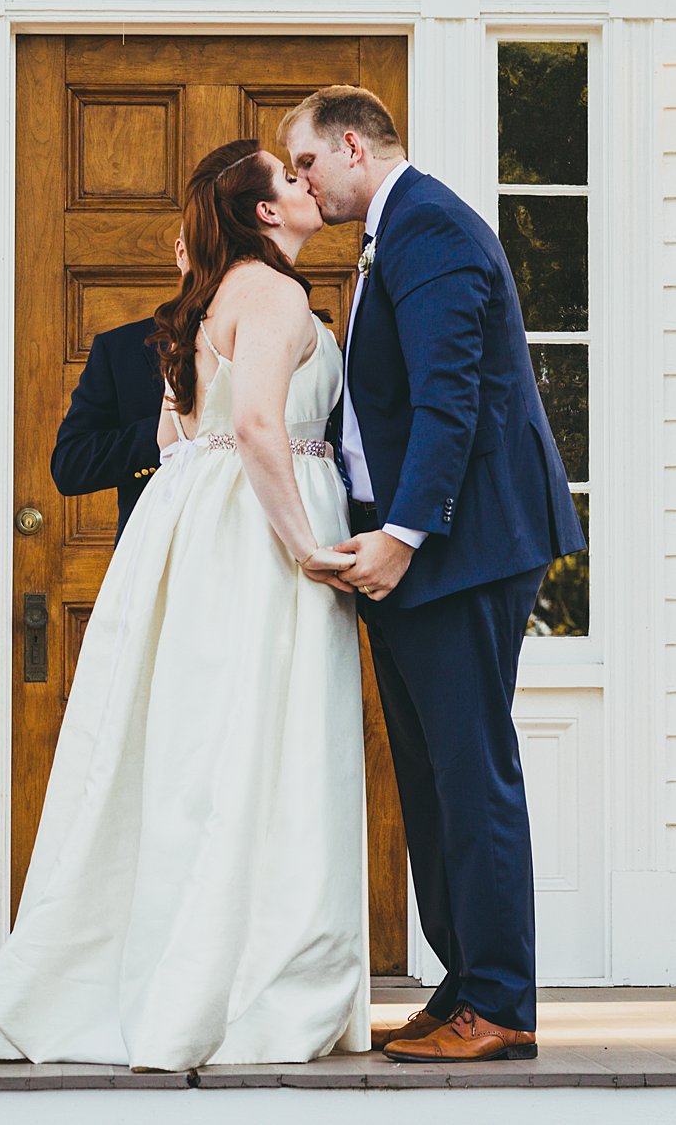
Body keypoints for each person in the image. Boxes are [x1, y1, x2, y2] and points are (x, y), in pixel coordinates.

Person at [0, 138, 369, 1072]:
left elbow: (199, 429)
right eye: (288, 179)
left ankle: (187, 966)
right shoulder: (272, 294)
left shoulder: (219, 302)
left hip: (209, 530)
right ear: (263, 212)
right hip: (258, 545)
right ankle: (244, 978)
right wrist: (304, 542)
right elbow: (256, 423)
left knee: (206, 757)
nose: (307, 185)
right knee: (263, 748)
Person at [282, 86, 585, 1065]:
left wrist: (402, 534)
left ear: (349, 143)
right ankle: (459, 985)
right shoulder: (394, 232)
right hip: (418, 558)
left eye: (304, 165)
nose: (301, 184)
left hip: (463, 552)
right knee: (429, 780)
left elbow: (450, 401)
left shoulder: (430, 229)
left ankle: (497, 1001)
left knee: (469, 772)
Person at [49, 238, 193, 542]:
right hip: (151, 555)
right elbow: (70, 466)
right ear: (182, 253)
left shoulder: (289, 338)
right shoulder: (120, 349)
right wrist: (170, 429)